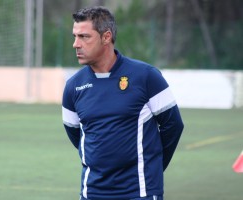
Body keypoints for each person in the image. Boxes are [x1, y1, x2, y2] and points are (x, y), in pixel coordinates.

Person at [62, 6, 184, 200]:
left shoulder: (146, 77)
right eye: (75, 36)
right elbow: (76, 134)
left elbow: (173, 126)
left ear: (106, 37)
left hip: (140, 192)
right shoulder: (73, 87)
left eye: (84, 37)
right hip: (92, 193)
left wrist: (153, 167)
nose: (76, 44)